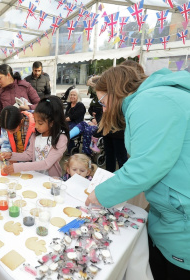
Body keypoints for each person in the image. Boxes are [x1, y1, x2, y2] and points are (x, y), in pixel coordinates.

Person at [85, 65, 190, 279]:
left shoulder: (149, 101)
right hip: (172, 216)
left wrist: (100, 194)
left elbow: (144, 167)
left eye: (103, 102)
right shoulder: (156, 97)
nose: (103, 109)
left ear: (115, 92)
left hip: (183, 223)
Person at [1, 96, 69, 177]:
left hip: (51, 179)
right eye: (35, 121)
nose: (35, 126)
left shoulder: (61, 138)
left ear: (52, 123)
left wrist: (17, 167)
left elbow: (46, 163)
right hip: (35, 176)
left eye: (40, 123)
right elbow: (28, 155)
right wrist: (11, 155)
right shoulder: (36, 134)